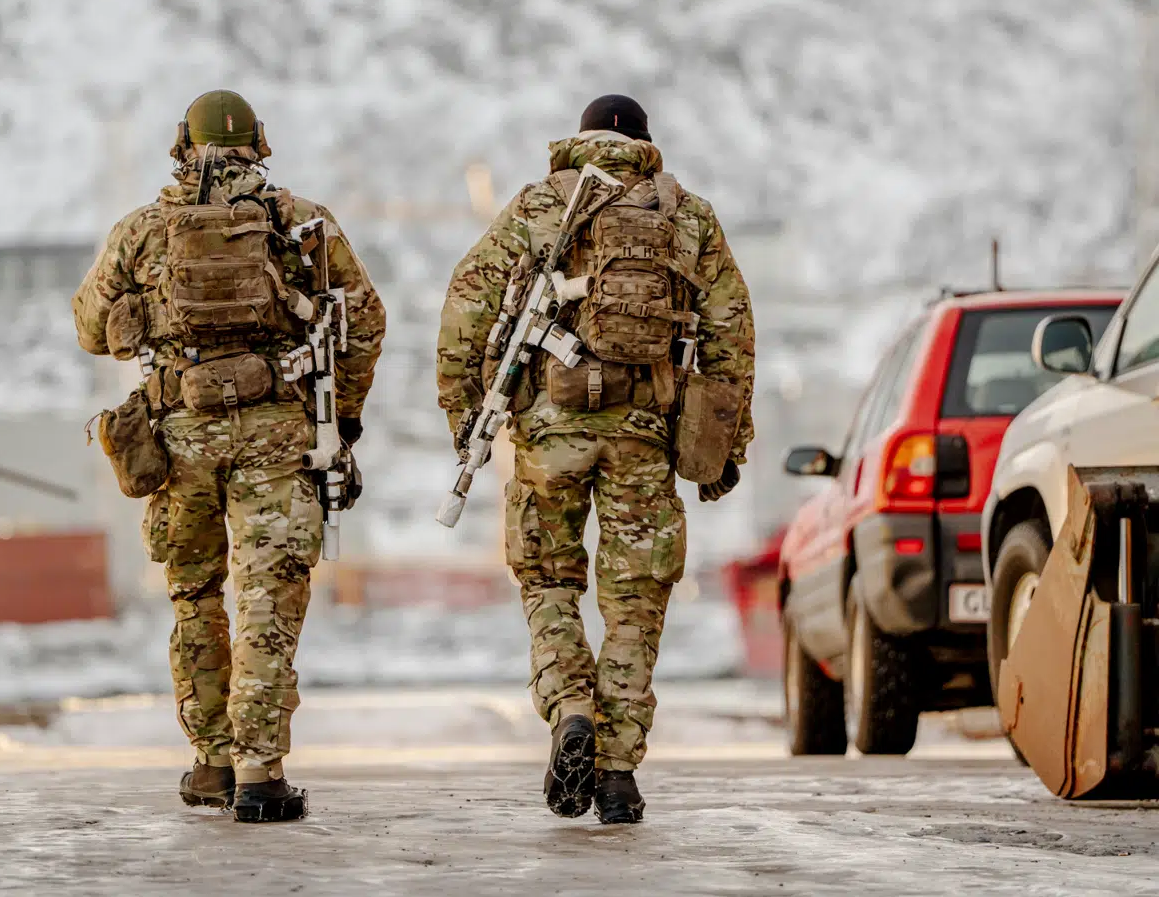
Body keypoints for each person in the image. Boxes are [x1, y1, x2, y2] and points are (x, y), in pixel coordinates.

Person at [436, 94, 755, 823]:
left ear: (579, 139)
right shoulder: (688, 214)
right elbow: (733, 331)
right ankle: (616, 772)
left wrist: (464, 411)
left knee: (548, 578)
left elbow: (467, 304)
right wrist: (724, 443)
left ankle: (571, 705)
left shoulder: (538, 203)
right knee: (636, 600)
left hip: (550, 432)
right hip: (644, 431)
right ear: (644, 143)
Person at [73, 90, 386, 823]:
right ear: (259, 144)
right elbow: (365, 320)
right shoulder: (300, 223)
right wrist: (343, 417)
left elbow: (90, 325)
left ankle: (211, 759)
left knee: (195, 597)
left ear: (183, 143)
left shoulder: (143, 229)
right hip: (278, 436)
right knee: (267, 601)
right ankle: (259, 772)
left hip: (179, 437)